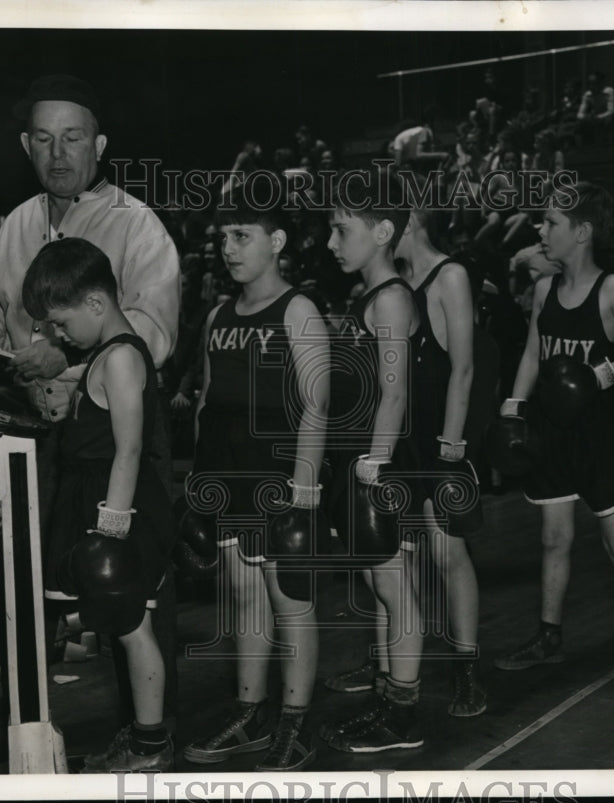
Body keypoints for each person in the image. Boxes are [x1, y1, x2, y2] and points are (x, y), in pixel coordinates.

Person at [0, 73, 181, 769]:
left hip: (113, 445)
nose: (59, 152)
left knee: (127, 595)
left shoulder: (137, 226)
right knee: (32, 590)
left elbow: (153, 335)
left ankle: (156, 730)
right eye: (43, 139)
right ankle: (20, 723)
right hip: (40, 444)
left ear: (99, 145)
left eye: (73, 137)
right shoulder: (15, 224)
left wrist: (68, 359)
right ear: (26, 145)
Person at [493, 182, 614, 702]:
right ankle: (549, 636)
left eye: (551, 222)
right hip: (552, 431)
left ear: (582, 231)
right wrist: (514, 405)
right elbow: (534, 350)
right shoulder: (544, 289)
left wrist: (599, 375)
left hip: (601, 432)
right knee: (553, 539)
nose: (541, 229)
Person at [181, 180, 329, 772]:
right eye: (223, 238)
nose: (229, 248)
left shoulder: (299, 310)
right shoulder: (218, 314)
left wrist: (306, 488)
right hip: (228, 474)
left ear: (277, 240)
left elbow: (318, 405)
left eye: (241, 236)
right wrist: (199, 483)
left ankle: (297, 723)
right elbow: (206, 404)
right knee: (243, 598)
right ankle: (251, 714)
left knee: (289, 599)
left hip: (281, 478)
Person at [328, 181, 490, 717]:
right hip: (398, 433)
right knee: (390, 560)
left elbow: (463, 367)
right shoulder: (391, 284)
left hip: (436, 435)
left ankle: (467, 669)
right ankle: (385, 664)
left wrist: (452, 446)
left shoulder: (450, 275)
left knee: (446, 554)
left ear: (408, 220)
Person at [21, 237, 175, 772]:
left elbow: (131, 447)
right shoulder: (103, 356)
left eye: (61, 324)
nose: (59, 335)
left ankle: (151, 746)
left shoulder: (123, 357)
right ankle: (139, 735)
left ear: (95, 304)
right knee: (121, 627)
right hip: (100, 500)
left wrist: (112, 529)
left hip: (120, 509)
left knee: (134, 627)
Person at [319, 170, 425, 753]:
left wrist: (375, 464)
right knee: (381, 588)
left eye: (341, 230)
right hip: (359, 460)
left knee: (395, 589)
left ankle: (405, 715)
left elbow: (396, 392)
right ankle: (390, 701)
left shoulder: (390, 298)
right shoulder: (369, 298)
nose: (332, 243)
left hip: (376, 466)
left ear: (383, 231)